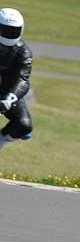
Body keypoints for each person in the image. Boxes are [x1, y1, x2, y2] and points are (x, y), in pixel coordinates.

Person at [0, 8, 33, 152]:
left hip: (6, 92)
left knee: (23, 125)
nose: (9, 34)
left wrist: (10, 98)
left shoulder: (23, 52)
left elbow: (23, 79)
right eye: (5, 29)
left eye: (13, 30)